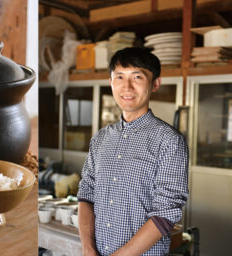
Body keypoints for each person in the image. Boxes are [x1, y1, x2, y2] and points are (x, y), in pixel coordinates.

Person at [77, 47, 189, 256]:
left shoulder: (169, 141)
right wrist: (88, 248)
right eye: (119, 77)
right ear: (111, 83)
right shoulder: (101, 138)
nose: (126, 86)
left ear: (155, 83)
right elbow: (86, 194)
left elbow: (166, 212)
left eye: (137, 77)